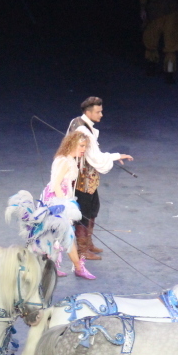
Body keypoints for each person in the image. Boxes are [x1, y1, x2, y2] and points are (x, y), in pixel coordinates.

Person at [67, 97, 133, 262]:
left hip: (87, 178)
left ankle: (87, 243)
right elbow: (96, 159)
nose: (101, 114)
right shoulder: (84, 131)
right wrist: (114, 157)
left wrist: (114, 157)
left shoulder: (77, 122)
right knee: (84, 214)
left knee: (93, 208)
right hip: (82, 179)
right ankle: (82, 250)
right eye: (98, 112)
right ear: (88, 113)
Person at [43, 131, 92, 279]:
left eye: (85, 146)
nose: (83, 149)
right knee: (67, 235)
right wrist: (64, 205)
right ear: (72, 144)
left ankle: (51, 267)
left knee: (58, 236)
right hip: (58, 200)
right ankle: (78, 267)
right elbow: (56, 184)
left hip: (61, 198)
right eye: (81, 146)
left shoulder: (67, 159)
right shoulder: (65, 161)